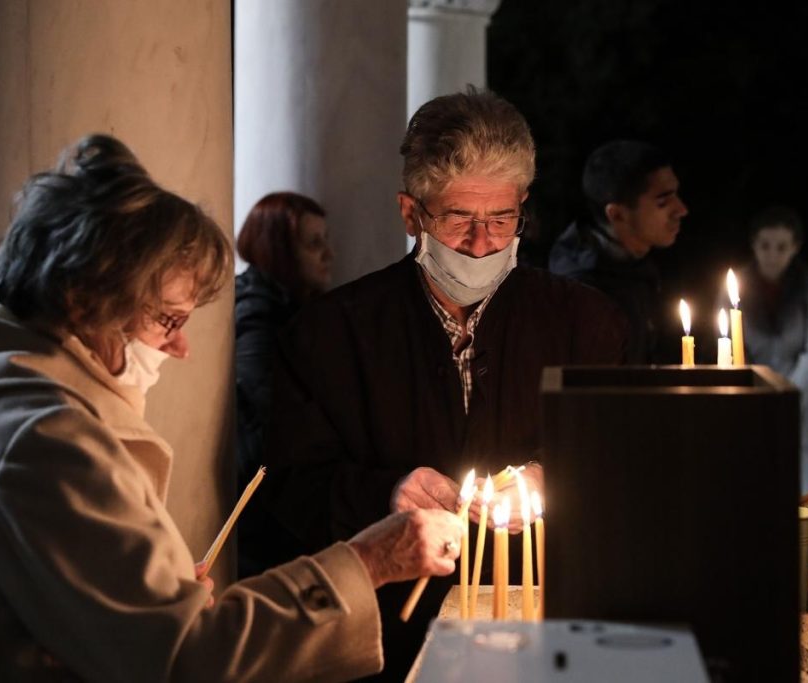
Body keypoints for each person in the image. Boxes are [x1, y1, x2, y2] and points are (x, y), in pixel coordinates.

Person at [0, 134, 464, 682]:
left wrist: (152, 597)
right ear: (84, 299)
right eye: (168, 320)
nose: (181, 349)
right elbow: (184, 662)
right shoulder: (48, 443)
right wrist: (368, 562)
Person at [259, 90, 628, 680]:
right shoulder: (329, 337)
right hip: (388, 647)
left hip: (548, 637)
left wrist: (550, 478)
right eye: (459, 220)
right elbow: (287, 486)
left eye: (502, 219)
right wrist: (388, 493)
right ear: (412, 215)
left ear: (523, 207)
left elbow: (629, 460)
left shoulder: (589, 325)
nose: (482, 244)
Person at [234, 192, 333, 577]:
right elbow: (269, 403)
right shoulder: (257, 312)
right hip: (265, 506)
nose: (328, 254)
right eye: (313, 244)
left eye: (325, 241)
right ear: (280, 250)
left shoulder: (295, 309)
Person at [549, 140, 688, 363]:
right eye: (663, 202)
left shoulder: (636, 265)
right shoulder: (585, 293)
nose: (681, 209)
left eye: (677, 195)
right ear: (617, 215)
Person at [738, 205, 808, 494]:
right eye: (765, 246)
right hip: (753, 403)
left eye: (781, 247)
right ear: (754, 245)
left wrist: (788, 397)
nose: (772, 255)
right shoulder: (737, 291)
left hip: (802, 400)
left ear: (795, 248)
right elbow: (733, 347)